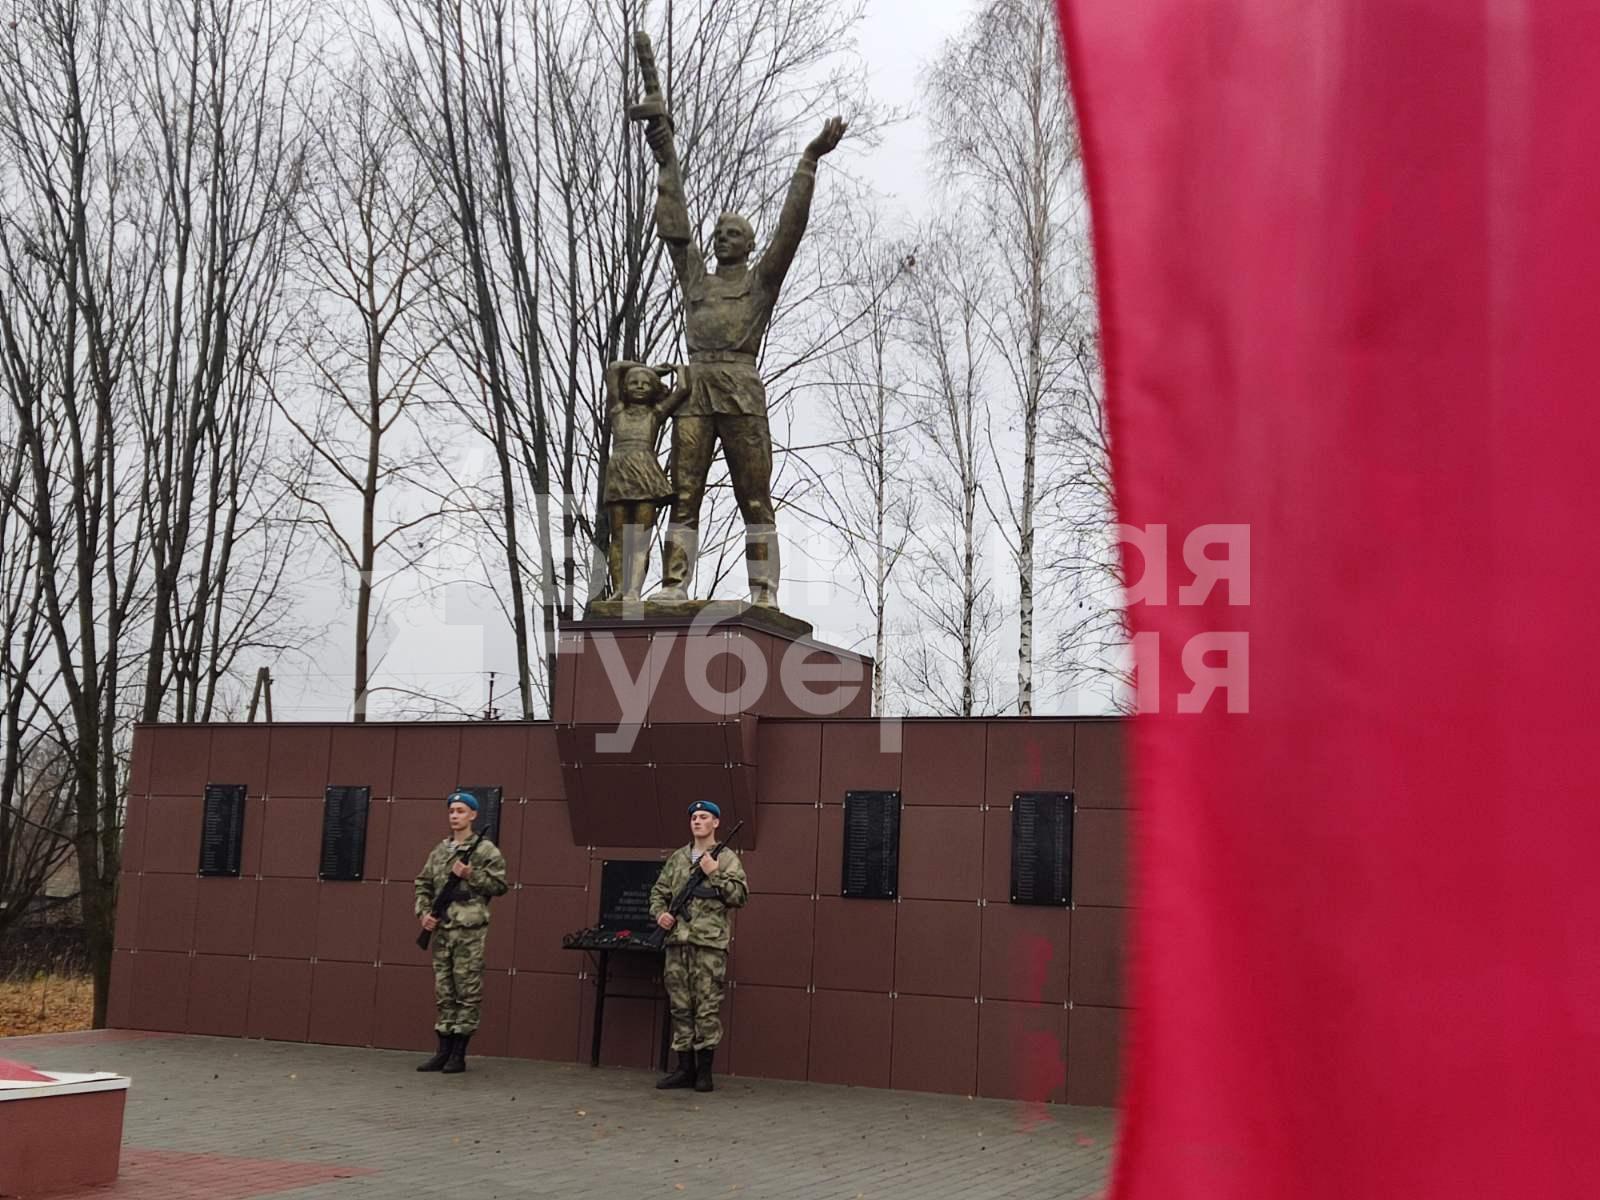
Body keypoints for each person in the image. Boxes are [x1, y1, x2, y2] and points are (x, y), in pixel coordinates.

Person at [640, 100, 847, 607]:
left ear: (750, 245)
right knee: (684, 493)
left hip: (740, 391)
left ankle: (763, 590)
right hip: (695, 391)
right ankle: (674, 583)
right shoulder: (696, 281)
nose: (721, 238)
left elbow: (790, 232)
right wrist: (665, 153)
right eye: (719, 233)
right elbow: (676, 228)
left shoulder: (759, 284)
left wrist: (809, 161)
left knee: (753, 496)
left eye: (733, 234)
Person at [648, 800, 748, 1093]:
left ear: (716, 823)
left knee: (706, 1007)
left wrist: (714, 872)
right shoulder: (678, 858)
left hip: (708, 945)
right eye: (694, 817)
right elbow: (658, 893)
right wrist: (661, 915)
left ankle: (704, 1072)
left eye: (704, 817)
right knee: (680, 1006)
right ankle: (684, 1069)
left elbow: (740, 896)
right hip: (677, 943)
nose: (697, 821)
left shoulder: (727, 858)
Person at [413, 790, 509, 1074]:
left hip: (469, 930)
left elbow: (500, 887)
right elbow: (423, 884)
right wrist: (424, 914)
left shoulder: (485, 850)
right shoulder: (439, 850)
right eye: (452, 811)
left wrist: (471, 875)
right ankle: (442, 1051)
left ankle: (458, 1054)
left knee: (467, 990)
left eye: (461, 811)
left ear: (473, 815)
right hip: (442, 928)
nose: (455, 816)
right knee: (444, 990)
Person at [602, 361, 689, 599]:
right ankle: (619, 588)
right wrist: (650, 368)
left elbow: (682, 388)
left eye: (645, 383)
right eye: (633, 382)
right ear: (624, 388)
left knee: (641, 538)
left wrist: (678, 368)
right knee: (618, 537)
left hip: (645, 473)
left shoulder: (655, 414)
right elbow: (613, 368)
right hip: (619, 473)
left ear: (653, 389)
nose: (639, 387)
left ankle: (633, 591)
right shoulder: (617, 410)